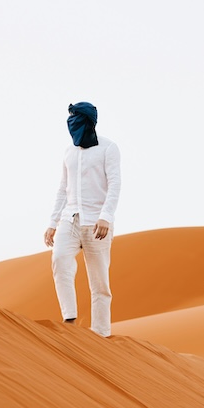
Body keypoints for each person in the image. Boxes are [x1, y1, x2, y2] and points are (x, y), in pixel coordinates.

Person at [44, 102, 121, 337]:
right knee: (59, 258)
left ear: (87, 121)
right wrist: (52, 223)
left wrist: (106, 217)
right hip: (70, 218)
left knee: (99, 282)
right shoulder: (69, 152)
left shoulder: (108, 148)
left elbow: (115, 184)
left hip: (97, 223)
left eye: (75, 118)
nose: (71, 123)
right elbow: (62, 189)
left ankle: (101, 334)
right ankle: (69, 317)